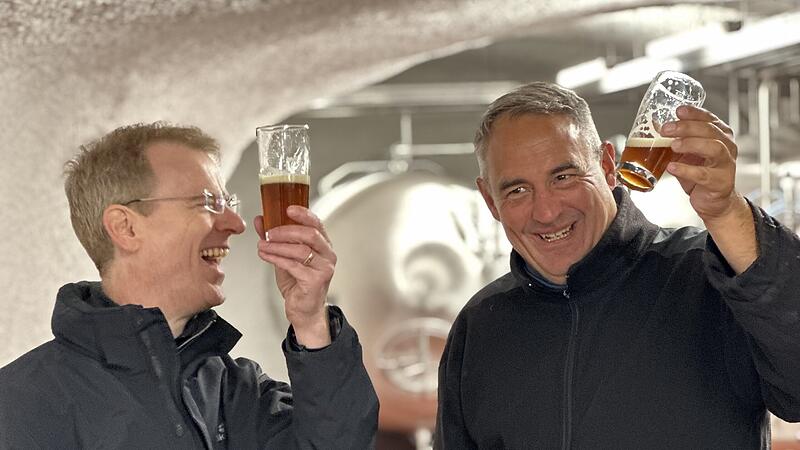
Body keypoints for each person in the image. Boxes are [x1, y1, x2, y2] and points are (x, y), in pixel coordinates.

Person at [435, 81, 800, 448]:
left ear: (608, 165)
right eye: (517, 190)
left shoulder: (707, 278)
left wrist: (726, 211)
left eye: (563, 177)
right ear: (490, 200)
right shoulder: (482, 326)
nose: (546, 212)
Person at [0, 123, 378, 449]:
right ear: (126, 227)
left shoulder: (237, 389)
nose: (236, 222)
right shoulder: (22, 404)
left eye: (228, 201)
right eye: (209, 202)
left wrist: (311, 321)